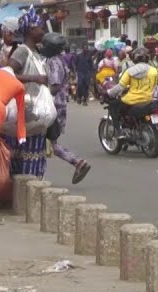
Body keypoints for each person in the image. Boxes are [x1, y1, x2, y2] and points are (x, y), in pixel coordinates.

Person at [4, 8, 50, 181]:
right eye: (39, 28)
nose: (43, 31)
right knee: (21, 156)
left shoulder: (37, 53)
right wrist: (34, 78)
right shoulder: (22, 51)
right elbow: (7, 73)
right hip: (23, 111)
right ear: (30, 30)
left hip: (35, 111)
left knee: (33, 153)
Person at [44, 33, 89, 184]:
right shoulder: (58, 60)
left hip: (54, 105)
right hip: (59, 104)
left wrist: (42, 92)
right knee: (49, 142)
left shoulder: (54, 62)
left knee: (47, 142)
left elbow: (55, 86)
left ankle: (78, 162)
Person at [117, 47, 158, 124]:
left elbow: (120, 86)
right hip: (149, 100)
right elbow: (155, 85)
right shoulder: (154, 71)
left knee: (119, 108)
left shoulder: (129, 71)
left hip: (132, 100)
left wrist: (109, 92)